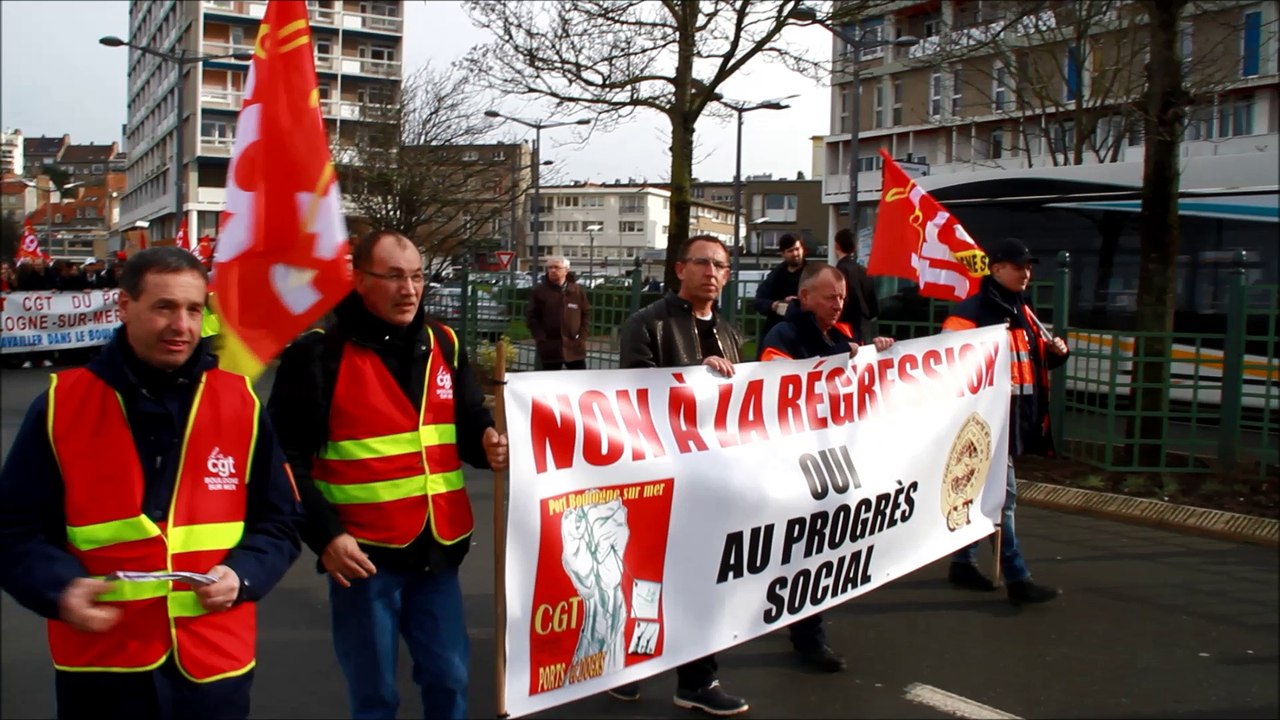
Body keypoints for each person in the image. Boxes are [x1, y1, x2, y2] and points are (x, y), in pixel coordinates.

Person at [0, 246, 303, 720]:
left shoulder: (240, 403)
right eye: (164, 307)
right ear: (124, 307)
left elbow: (280, 522)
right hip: (102, 669)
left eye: (193, 309)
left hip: (212, 667)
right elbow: (13, 529)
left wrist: (244, 575)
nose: (181, 325)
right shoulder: (62, 405)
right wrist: (58, 587)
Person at [268, 229, 510, 720]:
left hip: (439, 549)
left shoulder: (445, 342)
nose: (410, 289)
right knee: (375, 694)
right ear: (359, 279)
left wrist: (487, 445)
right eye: (394, 277)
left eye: (418, 276)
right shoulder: (317, 355)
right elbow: (282, 460)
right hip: (362, 557)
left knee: (450, 678)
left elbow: (468, 425)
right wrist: (326, 537)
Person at [610, 234, 748, 716]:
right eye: (703, 262)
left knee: (703, 578)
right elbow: (635, 397)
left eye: (721, 266)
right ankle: (627, 667)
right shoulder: (646, 324)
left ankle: (698, 679)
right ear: (679, 269)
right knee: (647, 577)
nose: (712, 272)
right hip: (659, 477)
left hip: (712, 480)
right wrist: (693, 374)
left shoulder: (731, 334)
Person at [757, 263, 893, 674]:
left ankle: (801, 618)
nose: (838, 304)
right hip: (800, 459)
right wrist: (840, 357)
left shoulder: (843, 334)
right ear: (805, 298)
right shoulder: (784, 337)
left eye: (842, 297)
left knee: (821, 544)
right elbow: (778, 389)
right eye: (830, 297)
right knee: (807, 546)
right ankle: (807, 634)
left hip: (833, 455)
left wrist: (875, 350)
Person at [942, 236, 1068, 605]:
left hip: (1015, 417)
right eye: (1018, 266)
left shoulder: (1022, 310)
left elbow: (1032, 358)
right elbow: (949, 366)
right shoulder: (971, 312)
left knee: (989, 494)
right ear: (996, 269)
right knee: (1003, 498)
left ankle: (963, 562)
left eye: (1028, 267)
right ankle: (1017, 578)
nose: (1026, 273)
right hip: (986, 420)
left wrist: (1056, 353)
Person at [526, 255, 590, 370]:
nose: (553, 271)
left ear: (566, 270)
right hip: (550, 347)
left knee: (578, 380)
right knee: (550, 382)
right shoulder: (540, 291)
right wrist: (540, 338)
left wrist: (582, 336)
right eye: (550, 268)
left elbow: (586, 313)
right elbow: (531, 316)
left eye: (557, 267)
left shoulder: (576, 291)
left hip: (574, 347)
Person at [753, 233, 806, 342]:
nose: (795, 254)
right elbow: (759, 301)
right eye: (790, 251)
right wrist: (774, 305)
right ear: (783, 254)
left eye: (797, 249)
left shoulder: (812, 273)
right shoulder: (776, 275)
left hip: (803, 331)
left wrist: (798, 301)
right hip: (776, 330)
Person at [832, 228, 880, 344]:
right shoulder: (864, 272)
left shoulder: (837, 273)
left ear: (837, 246)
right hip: (865, 331)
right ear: (855, 247)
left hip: (844, 331)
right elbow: (874, 307)